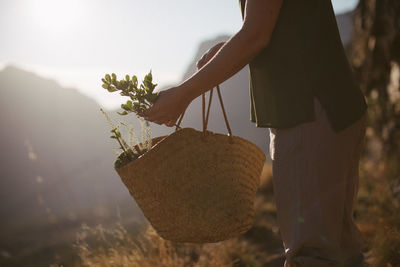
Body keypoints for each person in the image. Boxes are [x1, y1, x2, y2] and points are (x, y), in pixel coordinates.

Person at [141, 0, 368, 266]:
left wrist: (183, 94)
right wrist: (231, 46)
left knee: (313, 254)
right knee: (341, 247)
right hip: (333, 106)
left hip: (307, 112)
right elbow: (275, 25)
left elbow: (256, 35)